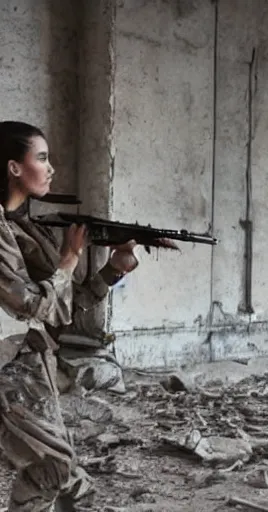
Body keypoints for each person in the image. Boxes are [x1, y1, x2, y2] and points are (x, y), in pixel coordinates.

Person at [0, 121, 139, 511]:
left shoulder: (25, 227)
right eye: (41, 158)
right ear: (14, 168)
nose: (51, 168)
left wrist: (113, 271)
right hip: (8, 367)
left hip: (29, 365)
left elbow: (62, 306)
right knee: (55, 466)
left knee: (62, 471)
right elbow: (29, 304)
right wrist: (70, 257)